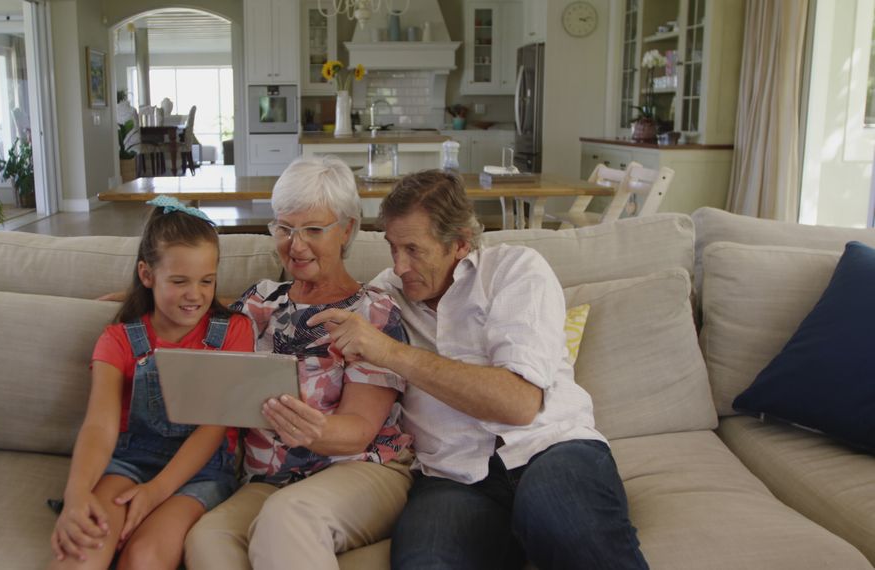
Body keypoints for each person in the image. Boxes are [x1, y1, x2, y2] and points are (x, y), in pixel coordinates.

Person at [308, 170, 649, 569]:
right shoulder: (385, 297)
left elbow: (518, 403)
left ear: (460, 244)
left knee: (569, 529)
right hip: (451, 477)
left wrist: (391, 352)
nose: (399, 266)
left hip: (550, 450)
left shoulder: (516, 271)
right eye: (392, 247)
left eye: (414, 250)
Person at [184, 155, 414, 570]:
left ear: (345, 230)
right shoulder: (261, 301)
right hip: (269, 481)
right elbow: (203, 318)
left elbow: (358, 432)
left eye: (312, 229)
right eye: (285, 228)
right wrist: (140, 304)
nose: (296, 244)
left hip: (360, 469)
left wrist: (307, 427)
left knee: (288, 515)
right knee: (207, 538)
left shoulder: (374, 314)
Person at [49, 196, 254, 570]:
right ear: (147, 275)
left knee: (143, 558)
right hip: (128, 462)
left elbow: (213, 429)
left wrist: (155, 493)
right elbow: (99, 425)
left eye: (207, 281)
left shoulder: (234, 332)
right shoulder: (119, 339)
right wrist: (76, 494)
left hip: (201, 472)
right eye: (179, 281)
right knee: (83, 551)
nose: (196, 294)